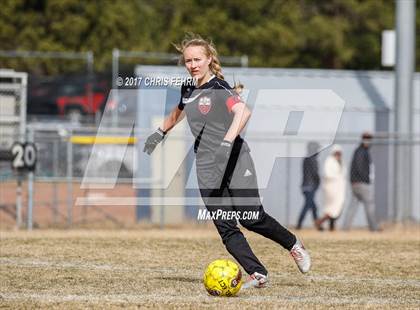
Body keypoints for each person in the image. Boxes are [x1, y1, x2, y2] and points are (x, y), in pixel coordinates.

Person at [143, 34, 311, 288]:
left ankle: (293, 244)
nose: (193, 65)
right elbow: (179, 110)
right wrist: (160, 132)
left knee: (251, 216)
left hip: (235, 161)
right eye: (188, 61)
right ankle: (257, 273)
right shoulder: (188, 89)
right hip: (207, 167)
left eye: (197, 59)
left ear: (209, 59)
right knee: (225, 225)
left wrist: (226, 142)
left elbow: (243, 112)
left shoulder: (220, 88)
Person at [343, 132, 379, 231]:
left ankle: (345, 228)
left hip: (356, 183)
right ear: (363, 139)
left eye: (369, 139)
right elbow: (359, 167)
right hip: (361, 183)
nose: (368, 141)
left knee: (353, 206)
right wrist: (366, 179)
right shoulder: (361, 151)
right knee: (369, 205)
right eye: (366, 138)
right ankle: (374, 228)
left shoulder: (361, 151)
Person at [316, 145, 346, 231]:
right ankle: (320, 222)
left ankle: (330, 226)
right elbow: (327, 174)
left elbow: (343, 174)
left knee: (337, 207)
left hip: (339, 189)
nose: (338, 155)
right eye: (337, 153)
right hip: (331, 188)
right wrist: (337, 177)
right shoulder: (329, 161)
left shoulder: (341, 162)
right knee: (332, 208)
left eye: (339, 153)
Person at [296, 142, 320, 230]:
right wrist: (318, 182)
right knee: (307, 205)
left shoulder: (306, 159)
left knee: (313, 206)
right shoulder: (312, 159)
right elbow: (315, 173)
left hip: (305, 185)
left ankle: (318, 225)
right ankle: (299, 224)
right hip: (310, 186)